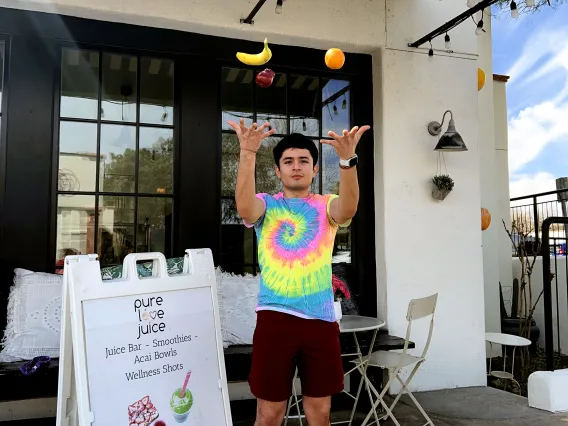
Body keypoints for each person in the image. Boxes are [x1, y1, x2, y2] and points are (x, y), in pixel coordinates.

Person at [228, 118, 370, 426]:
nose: (296, 166)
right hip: (274, 319)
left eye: (304, 160)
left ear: (315, 169)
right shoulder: (266, 205)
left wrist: (347, 161)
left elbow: (348, 209)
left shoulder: (325, 205)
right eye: (288, 161)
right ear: (277, 171)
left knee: (320, 413)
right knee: (269, 414)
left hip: (320, 322)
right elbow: (244, 208)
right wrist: (248, 152)